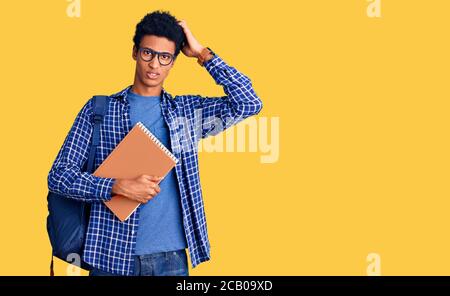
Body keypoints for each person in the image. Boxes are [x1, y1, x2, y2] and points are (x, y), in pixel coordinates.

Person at [47, 10, 262, 276]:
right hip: (110, 255)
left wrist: (202, 54)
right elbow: (59, 176)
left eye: (164, 57)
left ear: (173, 62)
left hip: (171, 259)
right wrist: (116, 186)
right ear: (135, 52)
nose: (154, 65)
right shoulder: (99, 110)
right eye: (148, 53)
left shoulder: (186, 113)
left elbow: (249, 102)